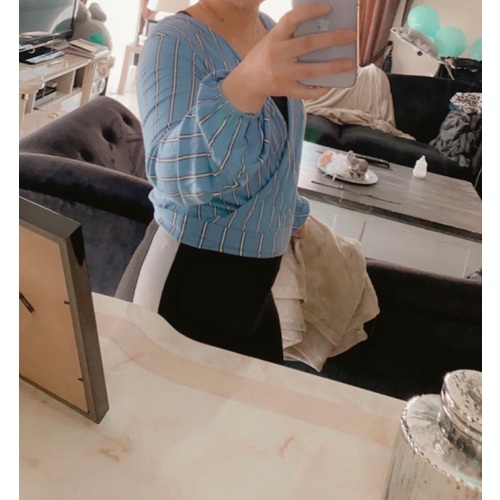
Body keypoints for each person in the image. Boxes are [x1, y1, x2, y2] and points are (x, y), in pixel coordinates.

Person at [131, 0, 356, 364]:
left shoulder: (270, 28)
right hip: (186, 276)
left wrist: (291, 214)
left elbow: (280, 149)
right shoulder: (174, 40)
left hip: (257, 286)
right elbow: (172, 177)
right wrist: (247, 83)